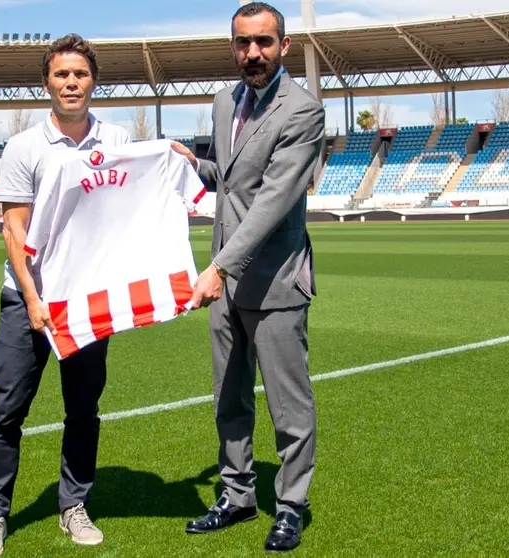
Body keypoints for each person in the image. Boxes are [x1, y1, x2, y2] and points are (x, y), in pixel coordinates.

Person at [171, 1, 325, 553]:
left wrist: (218, 267)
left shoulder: (303, 111)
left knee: (289, 407)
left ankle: (291, 507)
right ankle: (236, 495)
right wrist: (191, 164)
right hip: (226, 285)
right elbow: (232, 179)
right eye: (243, 42)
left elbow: (272, 201)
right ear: (232, 45)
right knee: (229, 398)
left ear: (284, 45)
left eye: (263, 42)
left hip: (275, 281)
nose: (253, 52)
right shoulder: (223, 101)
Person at [0, 33, 132, 558]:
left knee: (83, 409)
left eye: (80, 74)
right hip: (29, 300)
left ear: (94, 82)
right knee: (7, 410)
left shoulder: (118, 138)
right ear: (47, 83)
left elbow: (129, 206)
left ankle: (74, 505)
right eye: (62, 74)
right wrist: (33, 296)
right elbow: (14, 229)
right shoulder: (24, 147)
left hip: (86, 301)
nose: (71, 83)